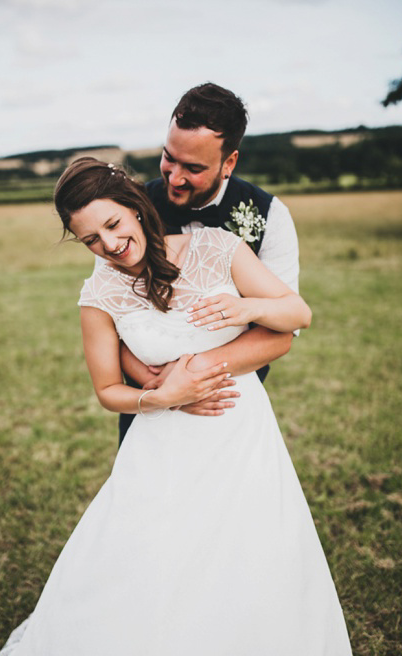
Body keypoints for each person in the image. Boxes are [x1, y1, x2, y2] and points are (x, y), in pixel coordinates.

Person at [0, 158, 361, 656]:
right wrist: (161, 398)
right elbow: (107, 388)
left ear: (135, 205)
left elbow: (297, 313)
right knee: (150, 564)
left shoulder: (220, 250)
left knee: (249, 558)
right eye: (89, 239)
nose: (108, 244)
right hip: (161, 444)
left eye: (112, 224)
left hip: (240, 433)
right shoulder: (98, 295)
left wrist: (244, 307)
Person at [117, 83, 300, 443]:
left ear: (229, 162)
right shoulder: (127, 211)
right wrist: (165, 392)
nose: (174, 176)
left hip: (230, 407)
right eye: (169, 157)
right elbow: (110, 321)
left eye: (194, 167)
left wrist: (194, 376)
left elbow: (282, 332)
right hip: (150, 410)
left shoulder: (271, 216)